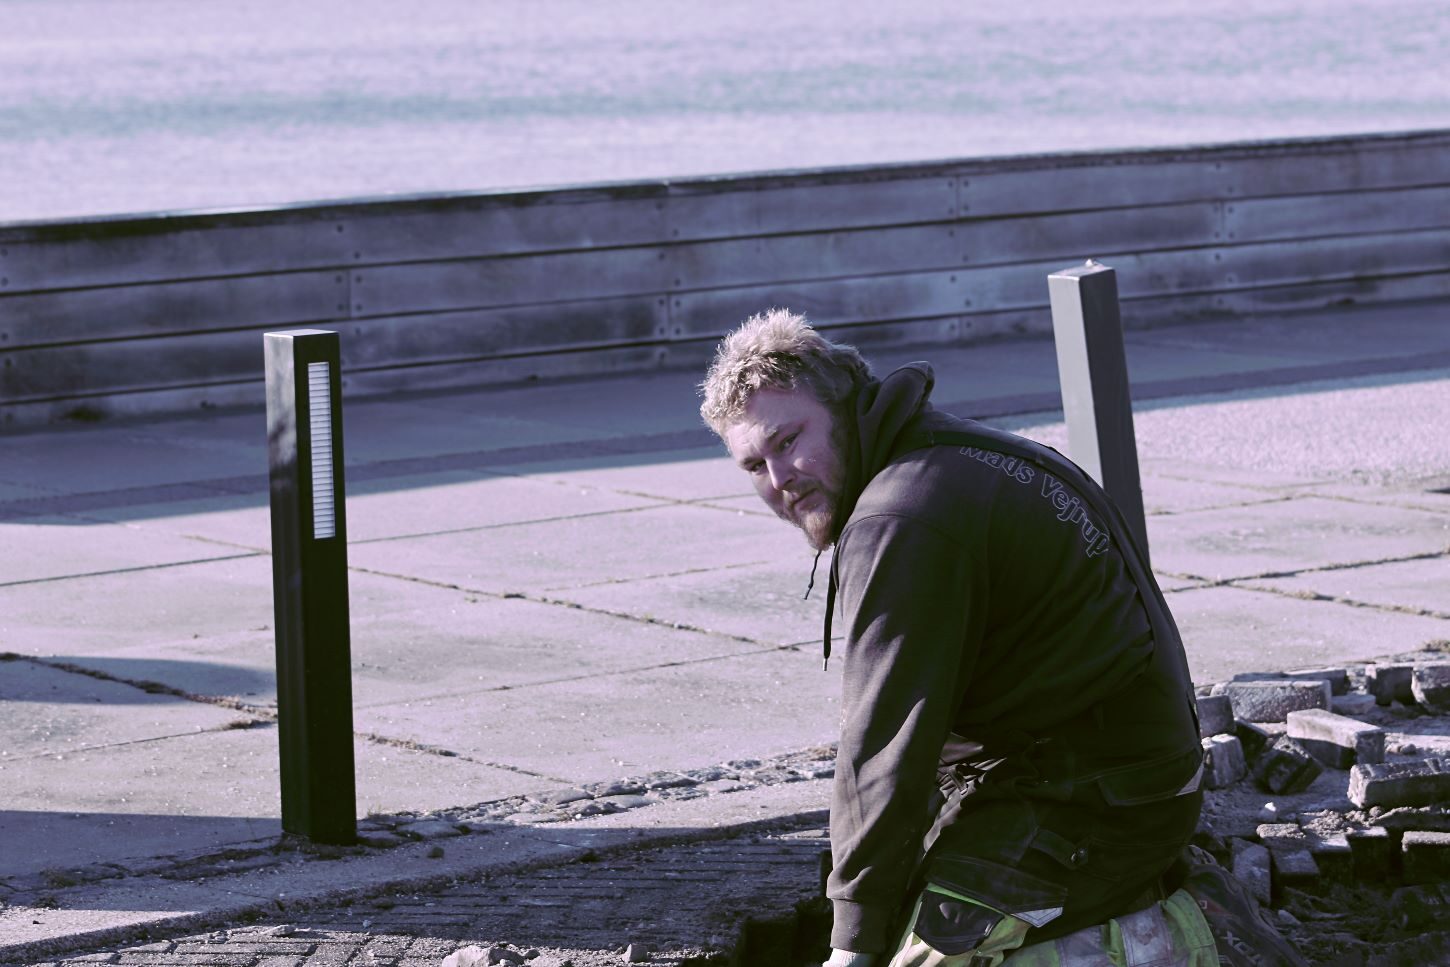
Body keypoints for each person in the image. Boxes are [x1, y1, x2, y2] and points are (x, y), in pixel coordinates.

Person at [699, 308, 1254, 966]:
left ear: (843, 404)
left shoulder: (902, 516)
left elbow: (882, 744)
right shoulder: (946, 454)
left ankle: (1174, 940)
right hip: (1116, 772)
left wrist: (851, 941)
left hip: (1096, 795)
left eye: (789, 440)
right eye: (753, 465)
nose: (780, 478)